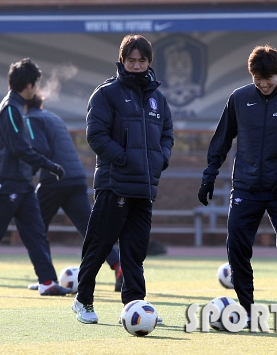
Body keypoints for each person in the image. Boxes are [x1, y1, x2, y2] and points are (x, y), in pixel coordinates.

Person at [197, 45, 277, 325]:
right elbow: (222, 139)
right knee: (236, 246)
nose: (262, 84)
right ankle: (246, 309)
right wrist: (209, 174)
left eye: (267, 79)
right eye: (257, 79)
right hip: (246, 188)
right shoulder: (239, 98)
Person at [71, 34, 174, 324]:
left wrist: (160, 159)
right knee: (99, 245)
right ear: (122, 61)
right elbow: (96, 135)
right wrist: (125, 158)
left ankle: (134, 305)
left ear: (149, 62)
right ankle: (83, 300)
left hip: (144, 186)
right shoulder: (106, 94)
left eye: (142, 60)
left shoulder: (158, 98)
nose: (137, 65)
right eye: (132, 60)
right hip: (113, 184)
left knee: (135, 251)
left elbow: (167, 134)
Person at [0, 58, 71, 297]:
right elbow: (20, 148)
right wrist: (49, 165)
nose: (37, 89)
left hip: (21, 183)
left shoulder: (16, 107)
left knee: (35, 231)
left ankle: (47, 281)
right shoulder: (10, 108)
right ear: (28, 85)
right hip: (7, 182)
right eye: (36, 84)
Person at [24, 94, 124, 292]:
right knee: (89, 229)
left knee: (34, 227)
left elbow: (39, 148)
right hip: (76, 176)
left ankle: (47, 279)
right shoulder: (53, 118)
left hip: (55, 178)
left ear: (24, 106)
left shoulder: (30, 119)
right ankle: (119, 266)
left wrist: (28, 172)